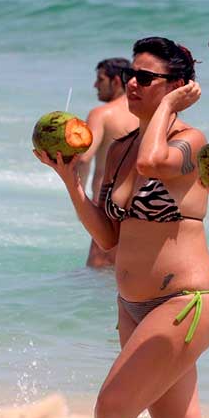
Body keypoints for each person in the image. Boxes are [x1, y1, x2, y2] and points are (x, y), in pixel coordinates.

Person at [34, 37, 209, 418]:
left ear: (177, 86)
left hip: (183, 303)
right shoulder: (119, 149)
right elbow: (107, 237)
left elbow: (153, 163)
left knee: (110, 410)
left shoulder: (191, 141)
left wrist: (168, 108)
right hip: (131, 307)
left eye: (145, 77)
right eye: (131, 74)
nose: (131, 83)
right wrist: (71, 183)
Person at [79, 58, 138, 268]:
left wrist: (82, 198)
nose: (95, 85)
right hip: (140, 205)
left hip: (107, 205)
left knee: (99, 268)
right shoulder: (146, 113)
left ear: (115, 81)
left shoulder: (101, 114)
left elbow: (84, 157)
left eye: (100, 79)